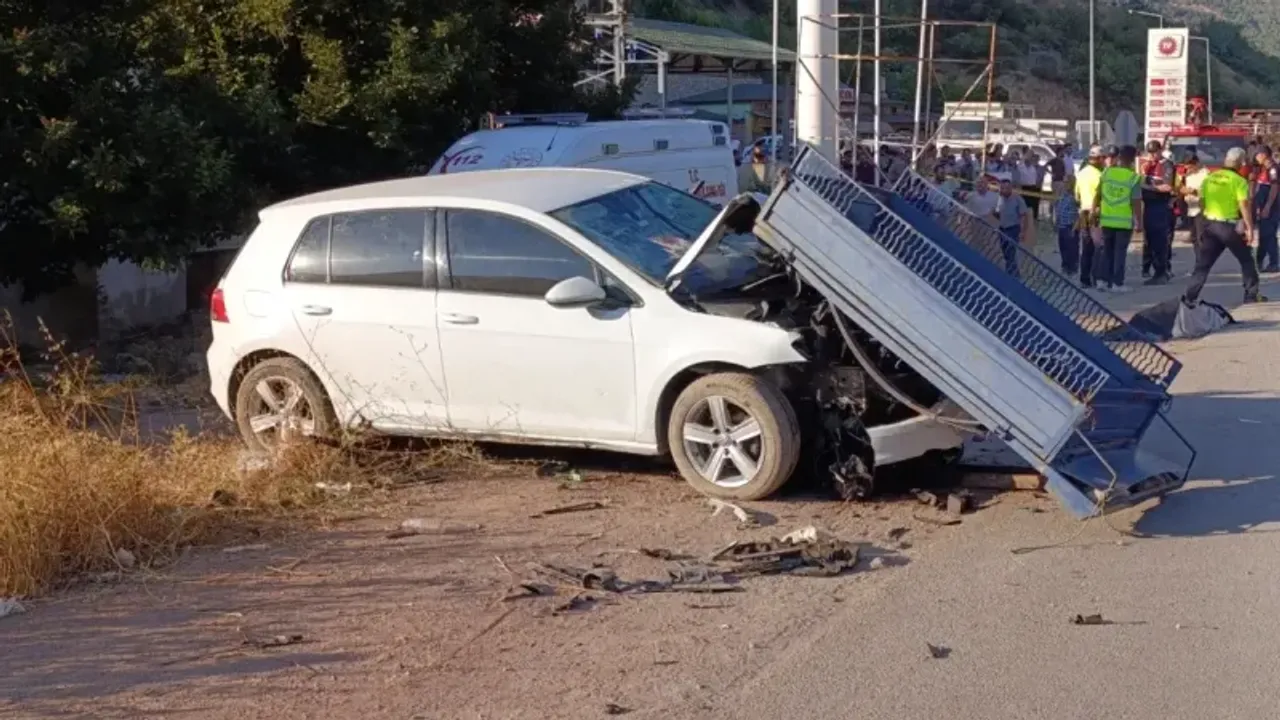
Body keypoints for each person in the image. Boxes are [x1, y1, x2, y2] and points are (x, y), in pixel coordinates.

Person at [1185, 146, 1266, 305]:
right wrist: (1249, 229)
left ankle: (1189, 297)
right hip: (1229, 228)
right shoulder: (1239, 181)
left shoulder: (1210, 178)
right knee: (1246, 260)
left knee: (1203, 265)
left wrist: (1206, 221)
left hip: (1211, 225)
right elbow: (1244, 206)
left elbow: (1202, 201)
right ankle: (1251, 295)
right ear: (1241, 163)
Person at [1095, 145, 1143, 293]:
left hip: (1107, 219)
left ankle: (1102, 280)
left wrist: (1094, 210)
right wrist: (1139, 222)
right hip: (1123, 221)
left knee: (1107, 250)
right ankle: (1117, 283)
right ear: (1133, 159)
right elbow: (1136, 202)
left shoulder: (1107, 173)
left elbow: (1098, 193)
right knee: (1119, 252)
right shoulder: (1133, 177)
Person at [1139, 140, 1176, 284]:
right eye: (1150, 152)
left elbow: (1167, 187)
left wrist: (1150, 187)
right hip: (1148, 206)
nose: (1152, 155)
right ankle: (1151, 268)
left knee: (1160, 240)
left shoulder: (1166, 165)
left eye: (1155, 152)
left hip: (1160, 206)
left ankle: (1161, 271)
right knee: (1149, 240)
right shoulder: (1148, 166)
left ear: (1160, 150)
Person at [1074, 145, 1105, 289]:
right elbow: (1102, 196)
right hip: (1096, 214)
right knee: (1098, 247)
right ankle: (1096, 278)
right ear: (1098, 159)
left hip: (1083, 213)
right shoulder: (1100, 175)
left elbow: (1077, 195)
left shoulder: (1081, 173)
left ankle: (1084, 279)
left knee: (1086, 247)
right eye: (1102, 158)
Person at [1252, 146, 1280, 273]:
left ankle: (1274, 262)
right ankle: (1259, 261)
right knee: (1263, 236)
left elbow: (1274, 188)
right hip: (1262, 208)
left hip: (1271, 209)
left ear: (1264, 155)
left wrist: (1268, 207)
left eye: (1257, 155)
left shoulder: (1273, 169)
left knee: (1269, 236)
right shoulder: (1262, 169)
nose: (1256, 157)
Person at [995, 178, 1030, 276]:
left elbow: (1024, 216)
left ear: (1011, 188)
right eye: (1002, 188)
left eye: (1007, 188)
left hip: (1013, 229)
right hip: (1002, 229)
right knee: (1005, 253)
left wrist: (1023, 232)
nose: (1004, 190)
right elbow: (997, 213)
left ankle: (1012, 276)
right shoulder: (999, 198)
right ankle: (1012, 272)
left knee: (1010, 253)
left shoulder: (1018, 199)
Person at [1180, 152, 1209, 258]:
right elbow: (1183, 187)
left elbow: (1208, 192)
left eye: (1189, 165)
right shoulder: (1188, 174)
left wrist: (1194, 192)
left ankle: (1202, 264)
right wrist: (1183, 190)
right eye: (1186, 165)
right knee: (1194, 238)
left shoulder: (1205, 174)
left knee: (1201, 238)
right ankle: (1198, 262)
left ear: (1196, 163)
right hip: (1190, 209)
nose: (1187, 168)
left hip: (1201, 210)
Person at [1052, 178, 1081, 276]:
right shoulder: (1062, 196)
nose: (1064, 184)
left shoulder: (1075, 197)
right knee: (1063, 247)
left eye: (1066, 182)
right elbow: (1059, 210)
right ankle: (1065, 266)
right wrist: (1056, 222)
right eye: (1064, 182)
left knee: (1071, 249)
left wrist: (1075, 227)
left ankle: (1072, 268)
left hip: (1071, 226)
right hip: (1062, 225)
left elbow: (1079, 213)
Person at [1018, 153, 1045, 221]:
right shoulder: (1021, 167)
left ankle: (1034, 217)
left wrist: (1039, 186)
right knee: (1025, 203)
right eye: (1031, 158)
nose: (1031, 160)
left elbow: (1040, 178)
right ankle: (1025, 218)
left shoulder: (1034, 168)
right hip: (1025, 187)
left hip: (1034, 187)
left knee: (1034, 203)